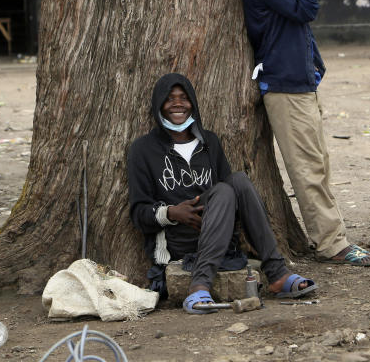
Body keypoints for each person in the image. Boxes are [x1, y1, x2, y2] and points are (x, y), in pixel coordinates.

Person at [242, 0, 370, 267]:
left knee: (319, 163)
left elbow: (299, 24)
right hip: (283, 84)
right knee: (307, 168)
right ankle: (331, 244)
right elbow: (306, 10)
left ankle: (333, 235)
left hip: (299, 80)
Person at [127, 73, 318, 314]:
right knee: (226, 189)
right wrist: (173, 212)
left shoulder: (210, 142)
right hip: (176, 238)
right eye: (169, 99)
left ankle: (277, 272)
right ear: (159, 106)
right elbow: (138, 212)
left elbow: (226, 194)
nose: (178, 104)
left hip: (216, 233)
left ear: (193, 103)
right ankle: (199, 285)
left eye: (184, 98)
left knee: (236, 181)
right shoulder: (143, 149)